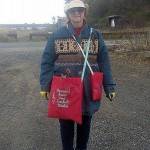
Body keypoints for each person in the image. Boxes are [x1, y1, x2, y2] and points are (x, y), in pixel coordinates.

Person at [40, 0, 116, 149]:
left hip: (88, 89)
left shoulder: (95, 35)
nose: (76, 13)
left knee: (85, 124)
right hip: (65, 90)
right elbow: (47, 62)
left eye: (79, 10)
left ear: (84, 12)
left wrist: (109, 87)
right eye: (72, 10)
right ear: (67, 14)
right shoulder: (56, 35)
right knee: (66, 127)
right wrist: (45, 85)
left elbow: (104, 62)